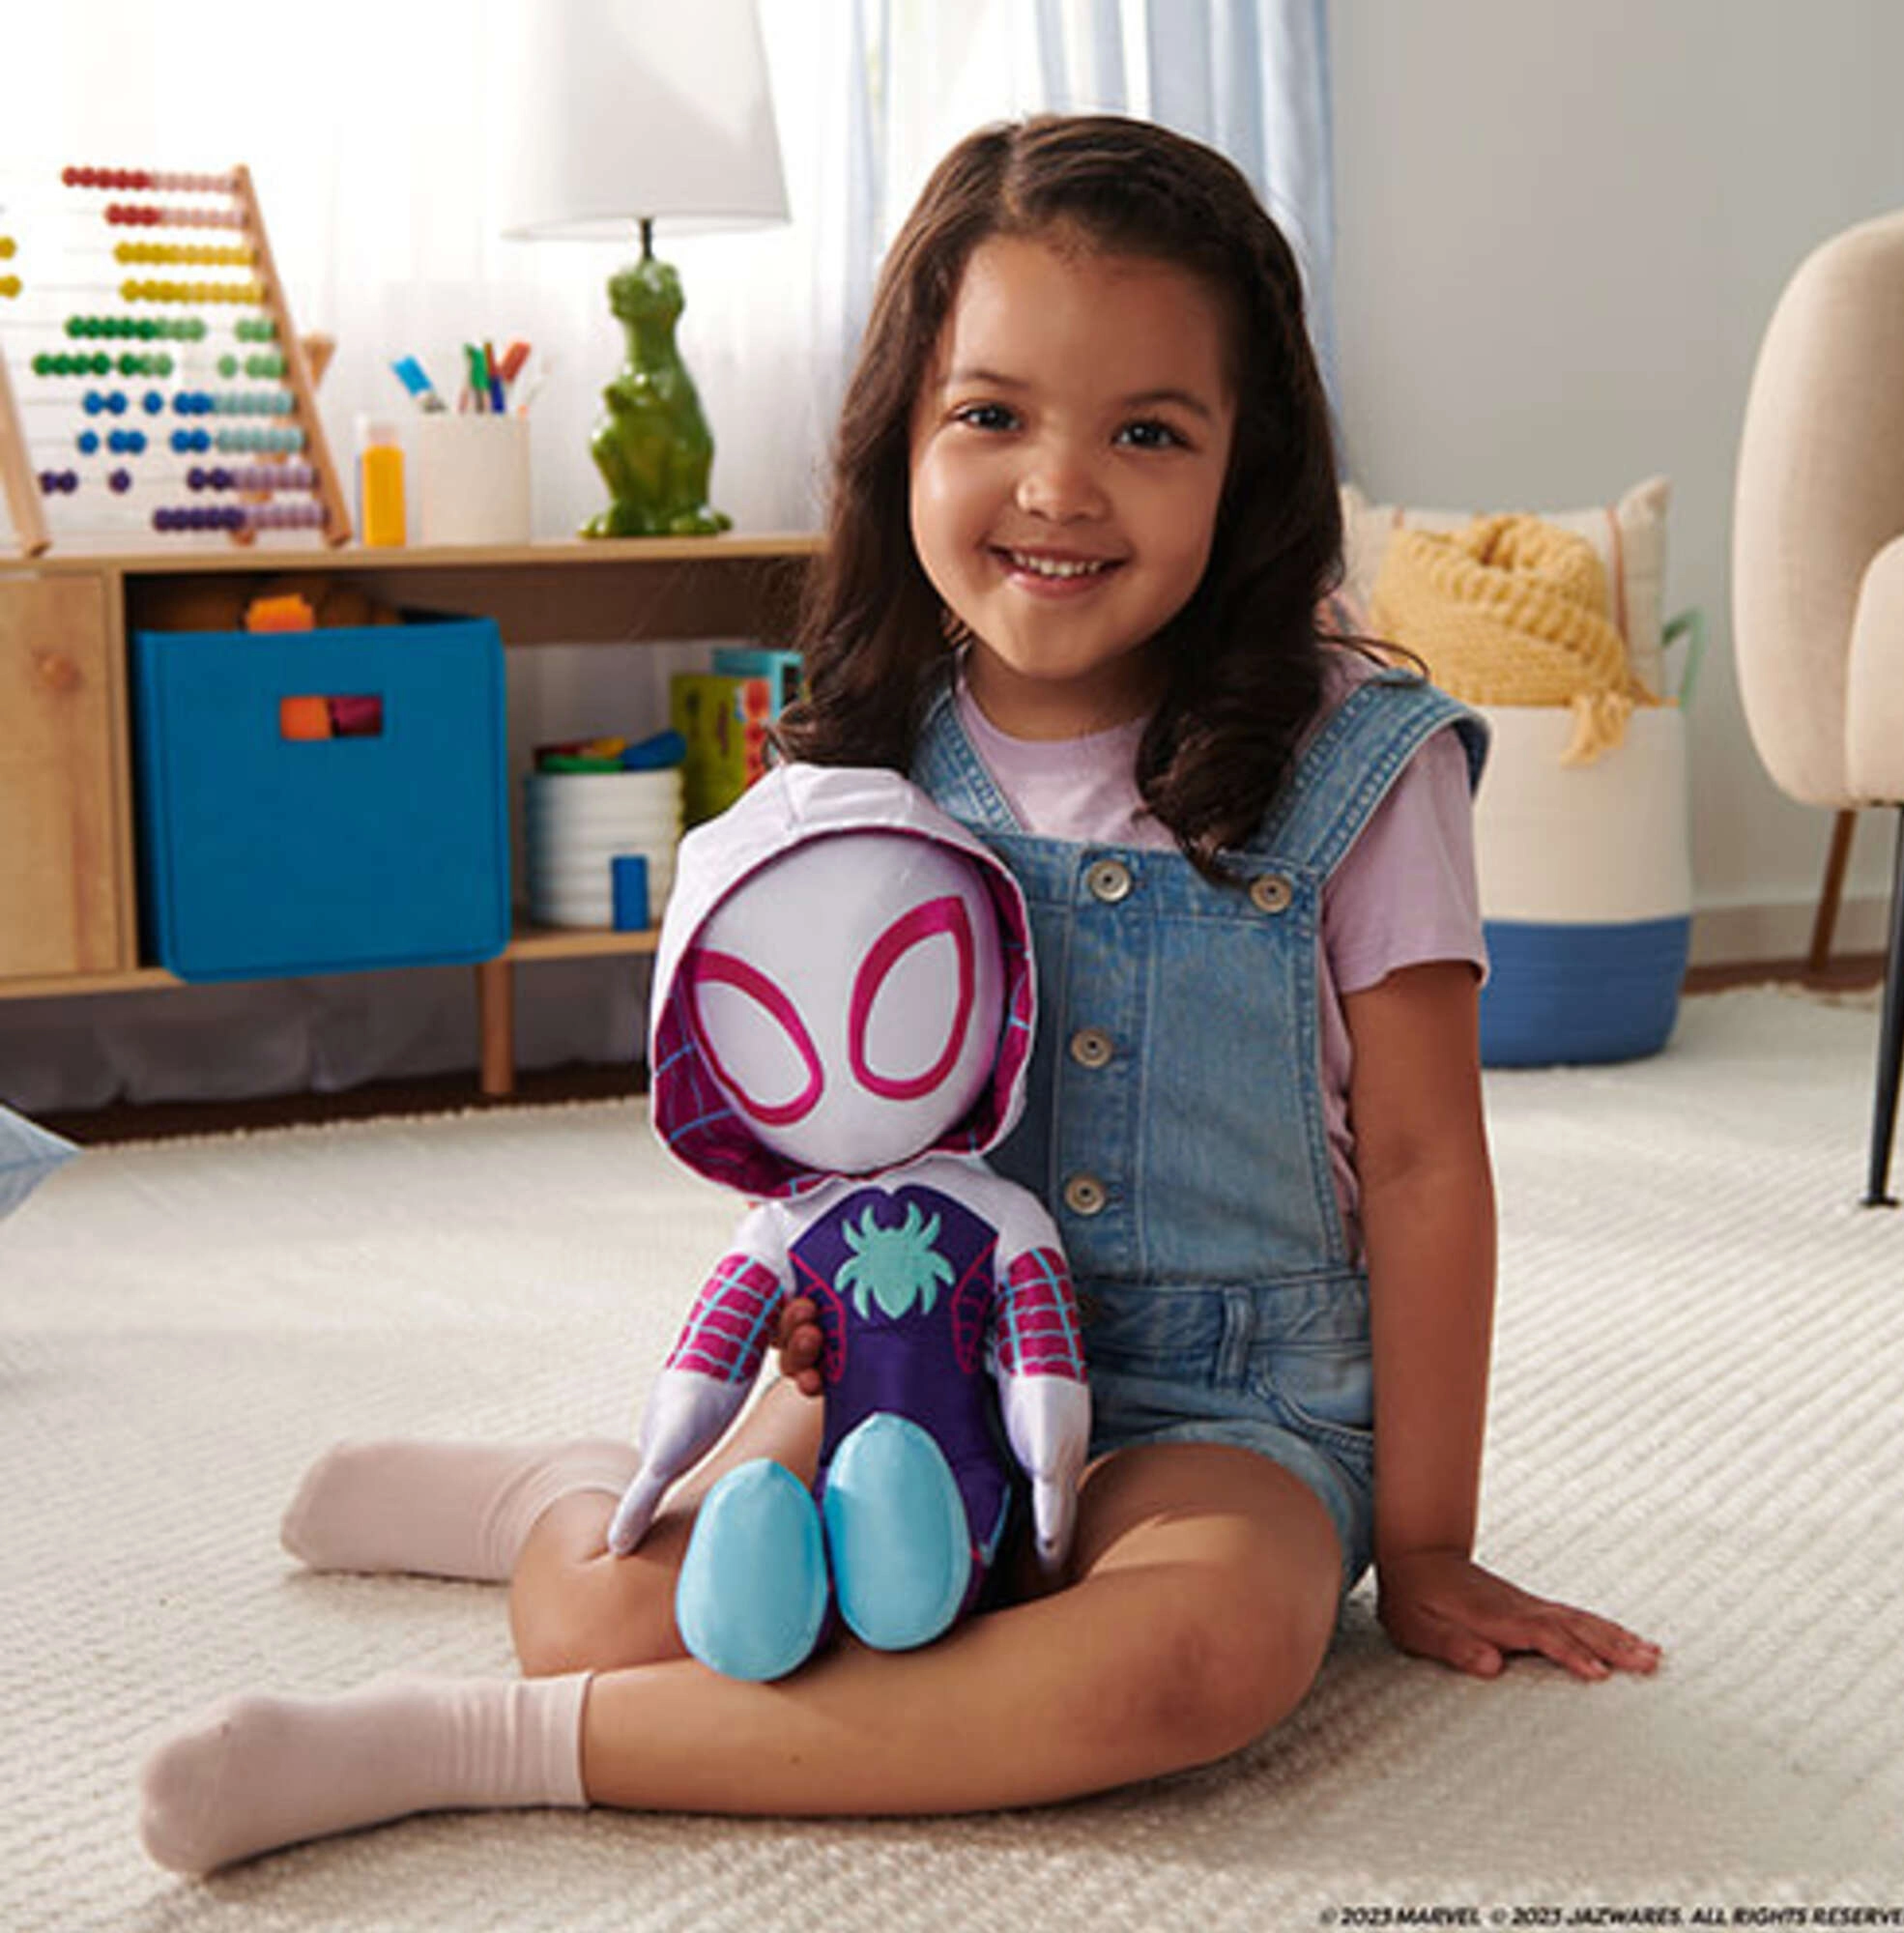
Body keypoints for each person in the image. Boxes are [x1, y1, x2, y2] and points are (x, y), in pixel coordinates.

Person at [138, 113, 1659, 1878]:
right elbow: (812, 1130)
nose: (1059, 487)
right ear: (900, 437)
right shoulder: (858, 757)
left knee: (1195, 1660)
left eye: (1148, 432)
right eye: (992, 415)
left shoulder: (1361, 766)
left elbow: (1422, 1165)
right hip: (909, 1346)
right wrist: (800, 1334)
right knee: (608, 1612)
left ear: (1246, 470)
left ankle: (468, 1749)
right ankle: (541, 1495)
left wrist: (1431, 1542)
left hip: (1230, 1410)